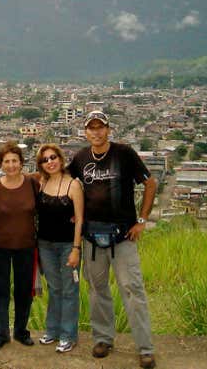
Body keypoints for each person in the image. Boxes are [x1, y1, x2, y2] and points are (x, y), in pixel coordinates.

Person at [67, 111, 158, 369]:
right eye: (91, 128)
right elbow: (63, 182)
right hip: (92, 238)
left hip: (123, 236)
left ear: (108, 130)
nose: (96, 132)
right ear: (85, 132)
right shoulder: (80, 158)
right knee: (97, 291)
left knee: (132, 290)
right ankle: (103, 338)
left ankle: (145, 348)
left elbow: (150, 183)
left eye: (100, 127)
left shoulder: (124, 154)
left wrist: (142, 220)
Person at [0, 141, 38, 350]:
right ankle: (1, 333)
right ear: (0, 164)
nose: (11, 165)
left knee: (24, 291)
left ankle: (21, 331)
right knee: (0, 291)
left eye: (14, 161)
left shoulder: (32, 183)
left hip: (26, 245)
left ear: (21, 163)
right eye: (6, 161)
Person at [35, 143, 84, 353]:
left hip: (67, 245)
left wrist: (76, 248)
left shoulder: (73, 185)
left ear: (61, 159)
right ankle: (52, 331)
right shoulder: (41, 183)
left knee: (69, 290)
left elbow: (80, 220)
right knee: (54, 289)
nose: (50, 162)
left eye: (53, 157)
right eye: (45, 160)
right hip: (45, 244)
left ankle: (68, 335)